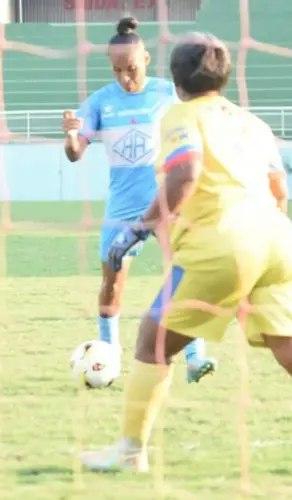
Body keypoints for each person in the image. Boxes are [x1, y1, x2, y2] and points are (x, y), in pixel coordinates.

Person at [80, 32, 292, 474]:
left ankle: (129, 453)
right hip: (278, 241)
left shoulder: (180, 114)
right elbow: (279, 189)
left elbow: (185, 172)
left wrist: (139, 228)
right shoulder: (253, 123)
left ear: (177, 80)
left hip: (221, 243)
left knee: (151, 341)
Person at [62, 17, 217, 386]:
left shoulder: (168, 93)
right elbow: (75, 153)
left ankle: (195, 357)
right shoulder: (100, 101)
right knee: (112, 281)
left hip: (168, 202)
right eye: (117, 70)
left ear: (146, 59)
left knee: (185, 274)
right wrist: (71, 137)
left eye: (130, 68)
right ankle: (109, 352)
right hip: (122, 208)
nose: (124, 77)